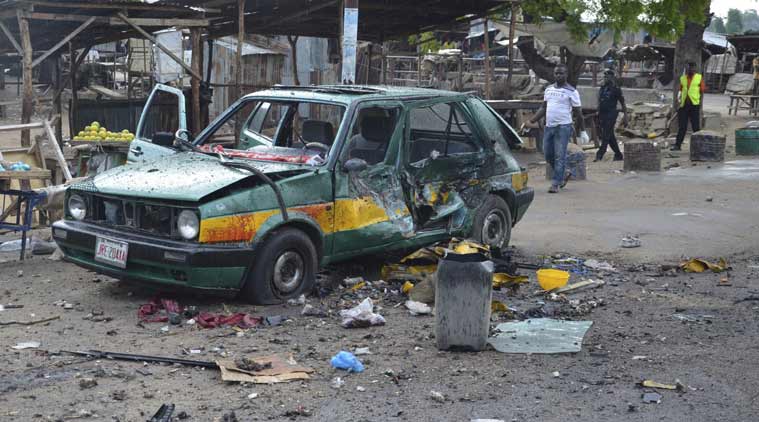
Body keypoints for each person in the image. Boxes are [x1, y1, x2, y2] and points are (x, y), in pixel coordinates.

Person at [527, 64, 587, 194]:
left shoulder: (572, 91)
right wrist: (531, 120)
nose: (558, 76)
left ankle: (556, 183)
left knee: (560, 155)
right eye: (556, 73)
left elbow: (578, 113)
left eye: (561, 73)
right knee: (547, 154)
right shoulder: (548, 89)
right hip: (549, 126)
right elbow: (544, 107)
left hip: (563, 127)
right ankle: (564, 173)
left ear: (566, 75)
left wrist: (583, 130)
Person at [595, 69, 628, 162]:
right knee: (610, 136)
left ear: (612, 77)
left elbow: (622, 103)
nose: (605, 78)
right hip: (602, 114)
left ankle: (600, 154)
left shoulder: (616, 89)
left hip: (611, 113)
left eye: (607, 76)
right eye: (605, 76)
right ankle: (618, 154)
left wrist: (626, 116)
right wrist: (597, 111)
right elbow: (599, 100)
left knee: (606, 134)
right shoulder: (602, 88)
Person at [672, 62, 705, 151]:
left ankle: (699, 147)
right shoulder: (683, 78)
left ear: (695, 69)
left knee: (696, 127)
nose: (691, 69)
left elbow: (702, 91)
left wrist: (699, 103)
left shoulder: (699, 78)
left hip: (694, 105)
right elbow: (681, 90)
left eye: (692, 68)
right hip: (684, 105)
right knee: (682, 127)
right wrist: (678, 102)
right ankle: (677, 145)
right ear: (686, 69)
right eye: (689, 68)